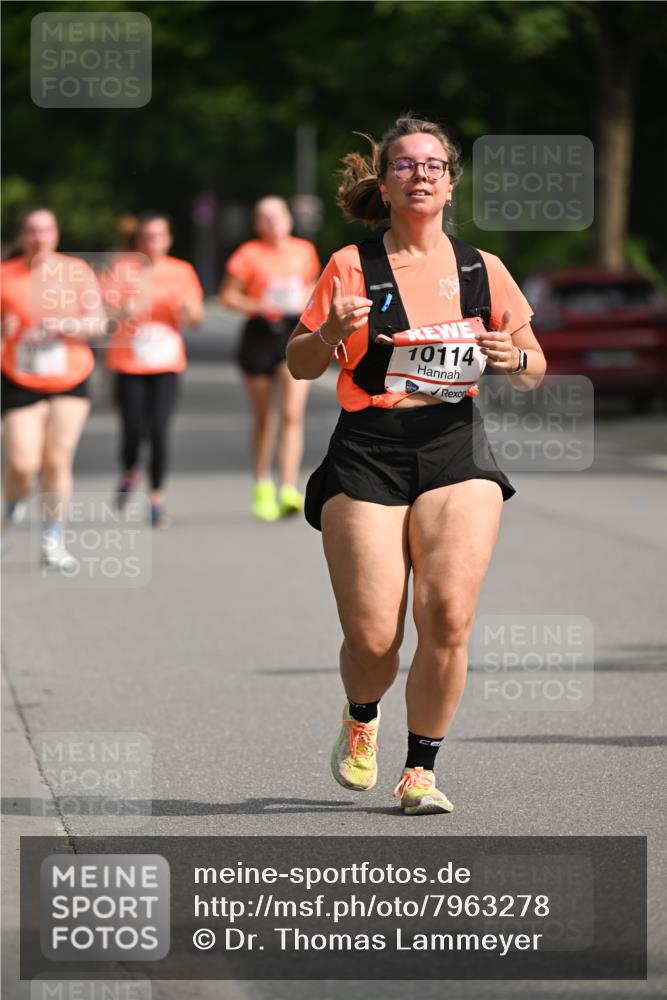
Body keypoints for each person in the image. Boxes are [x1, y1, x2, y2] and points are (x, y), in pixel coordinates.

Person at [286, 115, 546, 815]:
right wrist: (331, 333)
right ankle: (361, 715)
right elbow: (299, 363)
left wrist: (511, 359)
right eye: (405, 165)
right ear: (384, 183)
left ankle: (420, 769)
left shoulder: (480, 270)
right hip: (369, 446)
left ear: (450, 182)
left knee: (448, 614)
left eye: (433, 164)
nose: (421, 174)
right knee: (374, 636)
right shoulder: (350, 265)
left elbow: (532, 366)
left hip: (453, 446)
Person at [1, 207, 107, 569]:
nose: (39, 238)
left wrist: (68, 325)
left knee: (58, 459)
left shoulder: (76, 272)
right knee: (22, 463)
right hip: (19, 378)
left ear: (56, 234)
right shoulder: (5, 275)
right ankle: (12, 504)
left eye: (46, 231)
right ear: (21, 236)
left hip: (69, 377)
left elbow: (98, 323)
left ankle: (52, 539)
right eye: (32, 231)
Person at [219, 196, 320, 521]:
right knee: (266, 417)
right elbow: (227, 297)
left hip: (294, 330)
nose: (273, 222)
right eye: (265, 217)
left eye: (277, 215)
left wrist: (308, 299)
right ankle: (262, 482)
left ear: (288, 219)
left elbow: (314, 285)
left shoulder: (304, 250)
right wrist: (257, 305)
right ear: (257, 224)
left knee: (292, 413)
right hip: (260, 333)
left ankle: (288, 487)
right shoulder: (248, 254)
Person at [103, 212, 204, 527]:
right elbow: (104, 319)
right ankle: (129, 471)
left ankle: (156, 499)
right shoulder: (122, 269)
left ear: (169, 239)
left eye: (160, 236)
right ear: (139, 240)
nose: (153, 242)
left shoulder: (182, 271)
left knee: (159, 430)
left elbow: (196, 319)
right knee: (133, 428)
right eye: (148, 236)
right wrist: (124, 311)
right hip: (128, 363)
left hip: (166, 362)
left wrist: (189, 311)